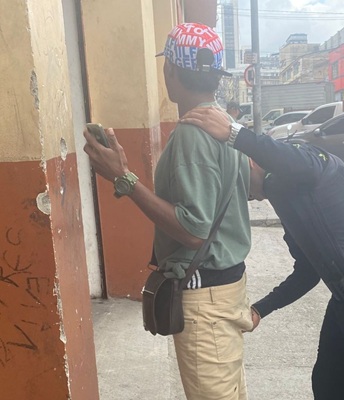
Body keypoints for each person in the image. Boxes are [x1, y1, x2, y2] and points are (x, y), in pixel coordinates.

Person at [181, 107, 344, 400]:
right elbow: (308, 271)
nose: (246, 196)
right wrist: (262, 309)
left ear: (249, 160)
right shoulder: (285, 194)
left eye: (239, 182)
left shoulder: (309, 164)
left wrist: (236, 135)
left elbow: (303, 165)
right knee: (330, 384)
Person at [84, 23, 253, 400]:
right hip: (226, 288)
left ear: (171, 70)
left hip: (206, 299)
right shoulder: (227, 126)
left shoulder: (193, 134)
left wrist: (123, 178)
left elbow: (194, 230)